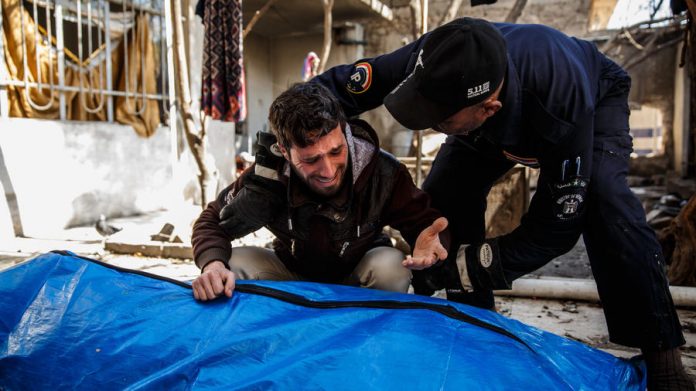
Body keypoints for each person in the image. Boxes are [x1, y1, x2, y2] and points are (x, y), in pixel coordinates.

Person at [314, 17, 692, 390]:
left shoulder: (560, 98)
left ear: (488, 107)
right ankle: (475, 321)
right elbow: (337, 87)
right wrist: (277, 144)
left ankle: (664, 359)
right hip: (479, 119)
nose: (430, 126)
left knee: (608, 206)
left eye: (438, 118)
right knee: (443, 197)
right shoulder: (437, 55)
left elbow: (555, 228)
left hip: (588, 100)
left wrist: (467, 266)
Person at [191, 82, 449, 302]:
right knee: (232, 263)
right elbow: (210, 220)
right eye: (311, 159)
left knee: (392, 267)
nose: (328, 171)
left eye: (336, 151)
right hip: (291, 274)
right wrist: (213, 265)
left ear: (345, 132)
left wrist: (428, 242)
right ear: (284, 150)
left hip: (357, 276)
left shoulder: (384, 172)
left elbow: (426, 225)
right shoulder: (266, 177)